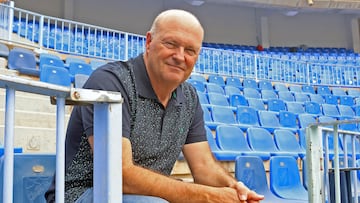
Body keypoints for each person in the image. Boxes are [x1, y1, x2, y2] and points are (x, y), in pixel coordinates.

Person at [45, 9, 264, 203]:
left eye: (190, 50)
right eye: (171, 44)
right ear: (149, 42)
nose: (179, 56)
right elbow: (118, 175)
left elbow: (204, 167)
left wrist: (233, 188)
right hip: (80, 194)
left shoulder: (189, 97)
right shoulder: (111, 82)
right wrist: (206, 195)